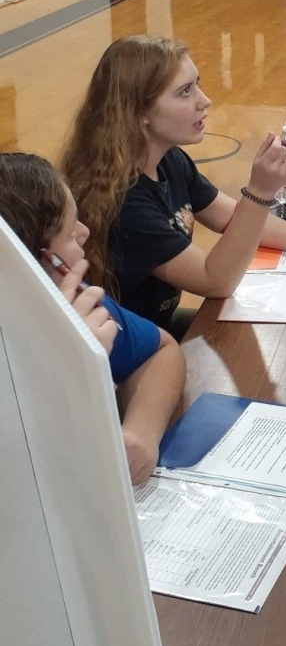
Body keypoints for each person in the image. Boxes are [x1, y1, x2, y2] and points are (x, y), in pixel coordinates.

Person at [60, 36, 286, 337]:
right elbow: (216, 280)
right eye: (185, 92)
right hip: (136, 346)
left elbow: (231, 215)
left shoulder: (169, 159)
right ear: (140, 114)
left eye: (197, 85)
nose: (204, 100)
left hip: (158, 327)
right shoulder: (126, 203)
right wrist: (260, 192)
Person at [0, 152, 185, 485]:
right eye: (71, 234)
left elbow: (160, 351)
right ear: (40, 263)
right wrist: (69, 367)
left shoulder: (71, 299)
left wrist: (141, 431)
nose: (85, 232)